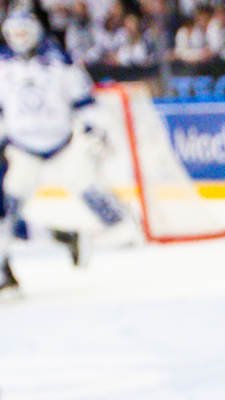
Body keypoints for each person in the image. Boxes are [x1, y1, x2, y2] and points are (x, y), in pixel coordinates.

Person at [0, 4, 110, 296]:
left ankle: (4, 276)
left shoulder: (57, 63)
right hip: (21, 148)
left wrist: (94, 129)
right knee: (6, 216)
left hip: (54, 145)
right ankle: (62, 239)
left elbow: (83, 102)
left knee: (5, 215)